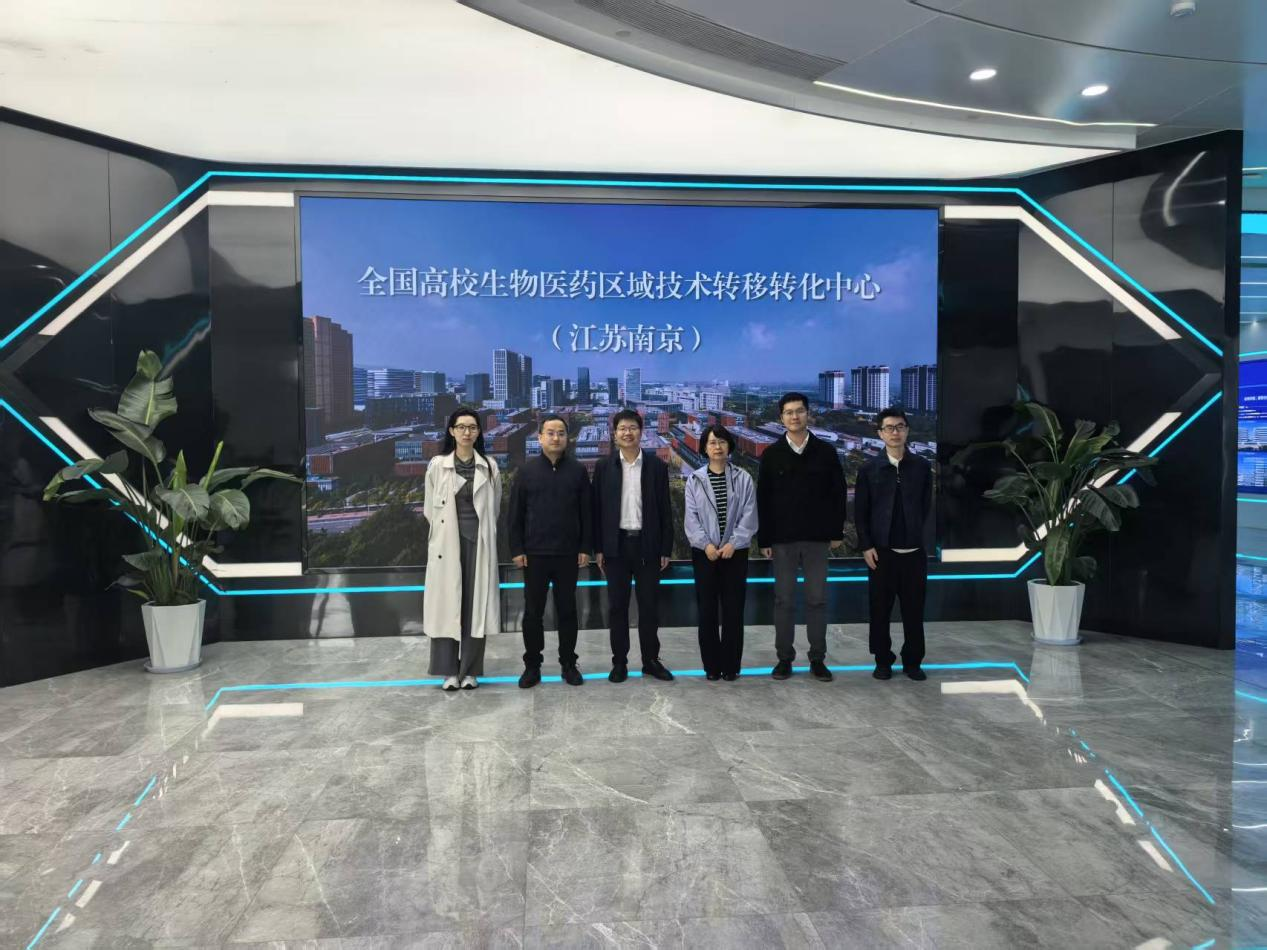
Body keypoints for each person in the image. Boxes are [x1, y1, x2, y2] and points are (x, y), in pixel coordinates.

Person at [757, 392, 847, 682]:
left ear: (808, 414)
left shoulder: (826, 452)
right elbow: (763, 499)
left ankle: (817, 659)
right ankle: (784, 659)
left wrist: (836, 531)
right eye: (788, 412)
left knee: (817, 600)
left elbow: (838, 494)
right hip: (782, 540)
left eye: (799, 411)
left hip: (817, 539)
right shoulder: (771, 454)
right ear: (781, 418)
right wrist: (764, 539)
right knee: (783, 601)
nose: (794, 416)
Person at [508, 414, 592, 688]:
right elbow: (515, 515)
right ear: (540, 437)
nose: (556, 438)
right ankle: (532, 666)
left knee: (567, 611)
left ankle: (568, 663)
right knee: (533, 613)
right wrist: (517, 549)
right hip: (534, 555)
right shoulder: (526, 471)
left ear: (568, 438)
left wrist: (585, 547)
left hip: (568, 554)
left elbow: (586, 513)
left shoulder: (578, 471)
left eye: (561, 433)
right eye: (551, 433)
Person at [423, 407, 502, 691]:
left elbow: (494, 509)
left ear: (479, 432)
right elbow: (430, 509)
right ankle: (448, 671)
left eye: (472, 427)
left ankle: (470, 671)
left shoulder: (489, 466)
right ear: (451, 431)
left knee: (474, 609)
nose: (467, 432)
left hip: (477, 544)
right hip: (447, 546)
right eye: (461, 427)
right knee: (447, 607)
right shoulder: (437, 465)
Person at [593, 409, 674, 683]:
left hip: (647, 546)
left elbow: (665, 510)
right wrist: (599, 548)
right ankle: (619, 663)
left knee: (649, 607)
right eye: (622, 429)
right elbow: (596, 510)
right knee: (617, 608)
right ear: (614, 434)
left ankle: (651, 660)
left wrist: (665, 548)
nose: (627, 433)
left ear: (641, 431)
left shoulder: (656, 467)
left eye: (632, 428)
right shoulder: (603, 467)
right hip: (615, 547)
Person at [854, 407, 934, 682]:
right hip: (881, 553)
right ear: (880, 433)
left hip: (914, 553)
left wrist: (922, 539)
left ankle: (913, 661)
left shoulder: (921, 467)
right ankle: (882, 660)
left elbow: (926, 506)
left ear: (907, 430)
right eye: (889, 428)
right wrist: (866, 545)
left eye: (900, 426)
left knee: (914, 611)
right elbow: (861, 512)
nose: (895, 432)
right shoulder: (869, 469)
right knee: (879, 611)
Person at [684, 423, 757, 681]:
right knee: (707, 612)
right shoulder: (694, 480)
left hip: (734, 554)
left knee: (733, 611)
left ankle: (731, 666)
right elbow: (691, 519)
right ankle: (712, 666)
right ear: (704, 448)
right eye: (712, 442)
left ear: (729, 446)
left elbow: (749, 516)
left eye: (722, 442)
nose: (717, 447)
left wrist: (733, 544)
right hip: (705, 554)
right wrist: (706, 545)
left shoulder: (743, 478)